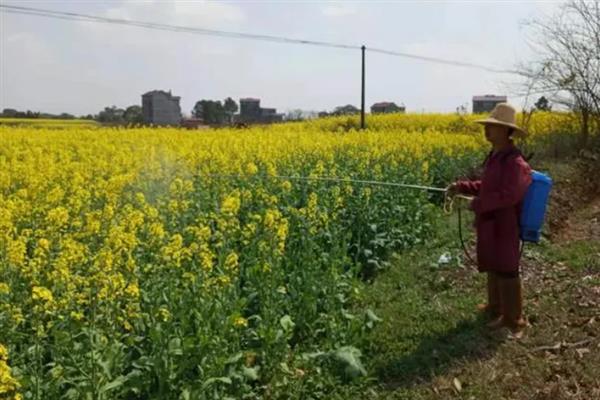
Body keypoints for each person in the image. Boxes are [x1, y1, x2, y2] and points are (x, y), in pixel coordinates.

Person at [448, 103, 532, 339]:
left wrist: (478, 204)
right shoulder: (496, 157)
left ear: (506, 131)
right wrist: (461, 187)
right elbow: (488, 187)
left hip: (505, 224)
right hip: (490, 222)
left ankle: (513, 318)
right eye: (487, 126)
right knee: (493, 264)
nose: (487, 130)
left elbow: (509, 195)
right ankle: (495, 307)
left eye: (493, 127)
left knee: (507, 268)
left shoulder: (515, 163)